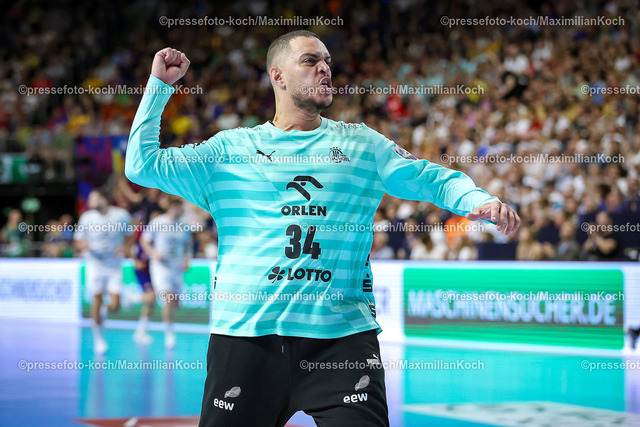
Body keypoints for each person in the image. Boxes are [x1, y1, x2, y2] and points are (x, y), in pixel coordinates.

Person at [125, 31, 520, 427]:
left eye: (327, 61)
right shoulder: (229, 149)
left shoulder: (361, 145)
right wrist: (159, 86)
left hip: (342, 342)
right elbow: (141, 165)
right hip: (246, 339)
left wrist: (476, 200)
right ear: (278, 76)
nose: (324, 68)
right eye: (310, 61)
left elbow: (430, 178)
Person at [74, 188, 132, 354]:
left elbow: (129, 235)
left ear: (103, 199)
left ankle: (104, 312)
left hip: (114, 265)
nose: (89, 201)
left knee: (115, 305)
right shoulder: (87, 217)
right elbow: (78, 241)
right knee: (97, 300)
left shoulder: (121, 215)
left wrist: (125, 247)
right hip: (95, 264)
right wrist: (84, 245)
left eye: (93, 198)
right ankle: (98, 338)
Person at [139, 197, 192, 349]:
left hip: (176, 267)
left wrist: (187, 259)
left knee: (174, 302)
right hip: (160, 266)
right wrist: (153, 253)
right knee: (167, 297)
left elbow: (188, 245)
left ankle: (135, 304)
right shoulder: (158, 222)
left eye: (179, 207)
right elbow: (144, 240)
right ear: (170, 207)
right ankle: (169, 334)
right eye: (175, 207)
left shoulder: (184, 225)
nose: (177, 210)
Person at [131, 212, 155, 345]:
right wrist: (135, 260)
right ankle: (131, 298)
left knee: (151, 302)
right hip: (142, 269)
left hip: (153, 269)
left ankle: (141, 330)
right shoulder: (142, 231)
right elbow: (131, 244)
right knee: (152, 296)